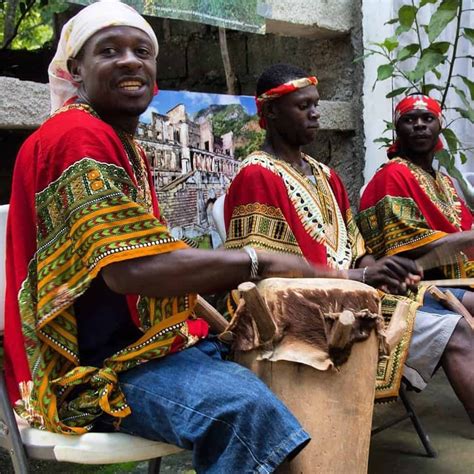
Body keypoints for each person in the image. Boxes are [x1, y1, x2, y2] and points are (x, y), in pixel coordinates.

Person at [2, 3, 357, 472]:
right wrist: (261, 260)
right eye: (109, 51)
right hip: (95, 372)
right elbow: (132, 271)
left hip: (141, 350)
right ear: (76, 70)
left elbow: (146, 255)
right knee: (243, 410)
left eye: (142, 51)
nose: (130, 61)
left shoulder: (118, 140)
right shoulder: (77, 135)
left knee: (277, 375)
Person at [223, 63, 423, 400]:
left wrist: (380, 272)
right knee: (455, 331)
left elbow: (357, 248)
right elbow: (264, 272)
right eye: (304, 106)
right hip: (301, 316)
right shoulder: (257, 175)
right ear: (271, 112)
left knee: (441, 313)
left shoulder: (327, 175)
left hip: (351, 302)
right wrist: (358, 277)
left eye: (316, 104)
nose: (316, 114)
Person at [358, 94, 474, 422]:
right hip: (409, 282)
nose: (420, 125)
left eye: (428, 118)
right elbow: (409, 250)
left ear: (440, 126)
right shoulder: (392, 175)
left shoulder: (445, 183)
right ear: (397, 128)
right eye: (410, 119)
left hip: (453, 279)